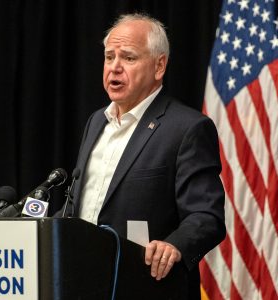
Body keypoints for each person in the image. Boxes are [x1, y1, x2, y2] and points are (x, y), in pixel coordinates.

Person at [61, 13, 226, 299]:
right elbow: (78, 206)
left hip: (149, 287)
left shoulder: (186, 128)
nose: (114, 68)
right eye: (109, 57)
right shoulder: (96, 122)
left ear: (159, 65)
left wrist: (174, 245)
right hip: (85, 283)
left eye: (128, 58)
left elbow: (206, 215)